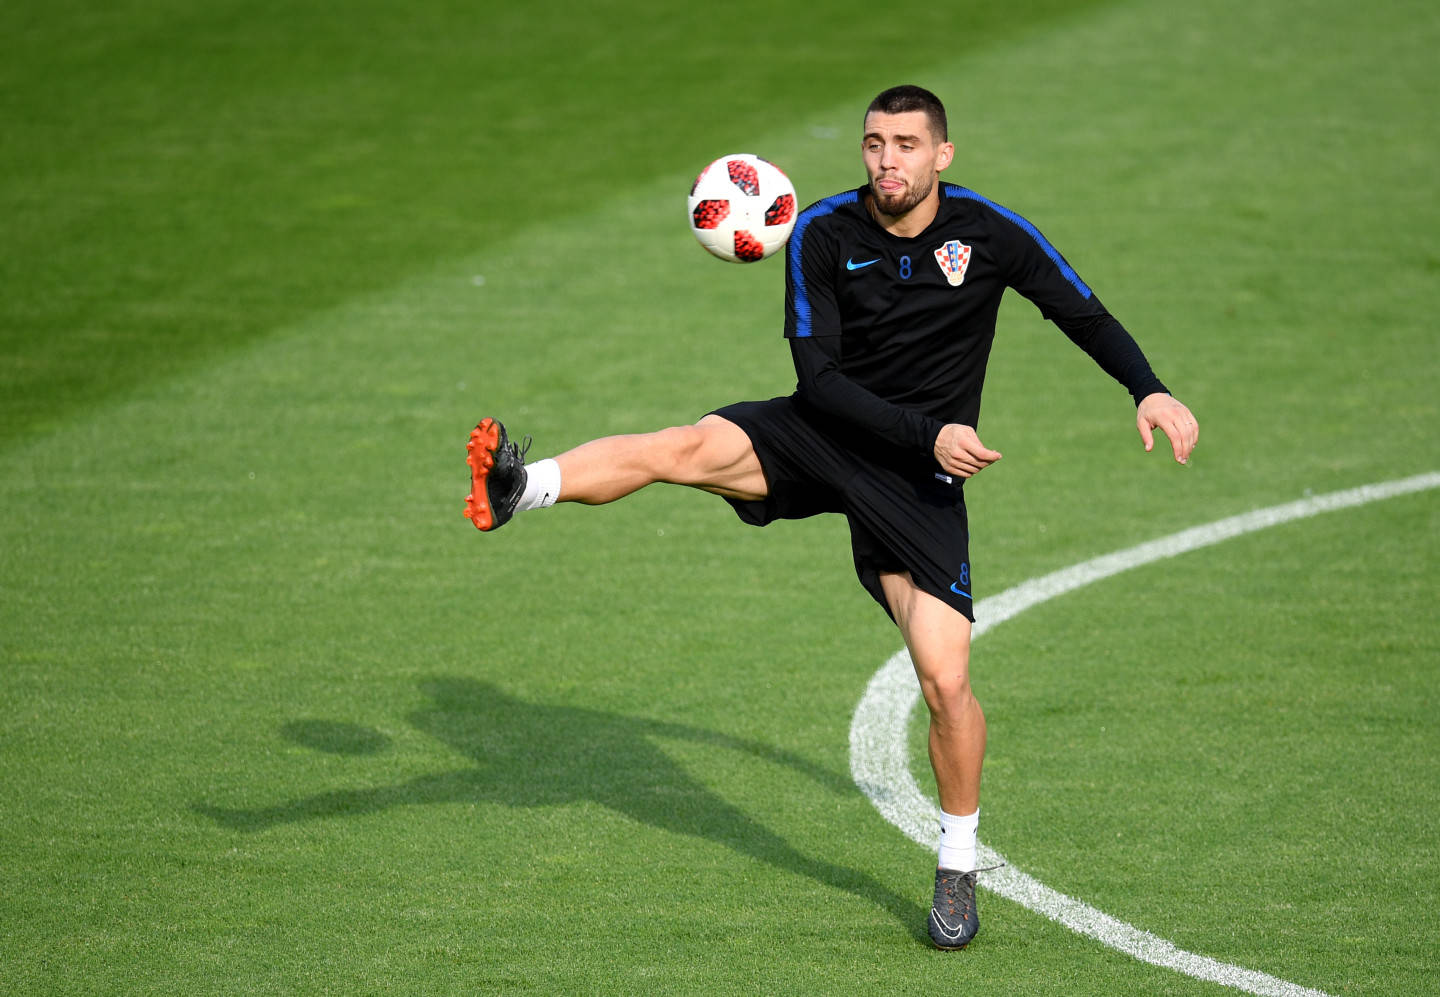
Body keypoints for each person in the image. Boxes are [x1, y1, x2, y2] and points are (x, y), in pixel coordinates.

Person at [463, 84, 1198, 951]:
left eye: (907, 145)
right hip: (828, 433)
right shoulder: (819, 231)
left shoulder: (991, 233)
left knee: (946, 683)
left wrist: (1147, 387)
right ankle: (523, 485)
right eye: (875, 143)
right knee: (687, 446)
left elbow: (1079, 308)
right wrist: (933, 431)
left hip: (916, 485)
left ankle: (957, 864)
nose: (888, 159)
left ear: (942, 156)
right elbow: (820, 383)